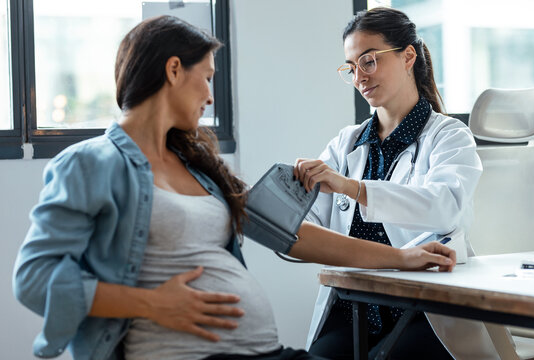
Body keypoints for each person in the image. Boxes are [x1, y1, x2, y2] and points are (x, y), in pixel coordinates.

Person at [13, 15, 456, 360]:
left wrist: (402, 258)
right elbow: (34, 279)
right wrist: (150, 304)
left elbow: (290, 232)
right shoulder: (91, 163)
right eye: (205, 77)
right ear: (172, 70)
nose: (209, 96)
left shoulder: (200, 166)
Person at [293, 7, 484, 360]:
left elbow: (444, 207)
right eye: (351, 68)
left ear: (408, 55)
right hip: (353, 309)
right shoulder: (346, 143)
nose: (359, 77)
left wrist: (353, 187)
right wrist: (282, 205)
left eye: (369, 61)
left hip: (424, 312)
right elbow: (307, 225)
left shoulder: (449, 136)